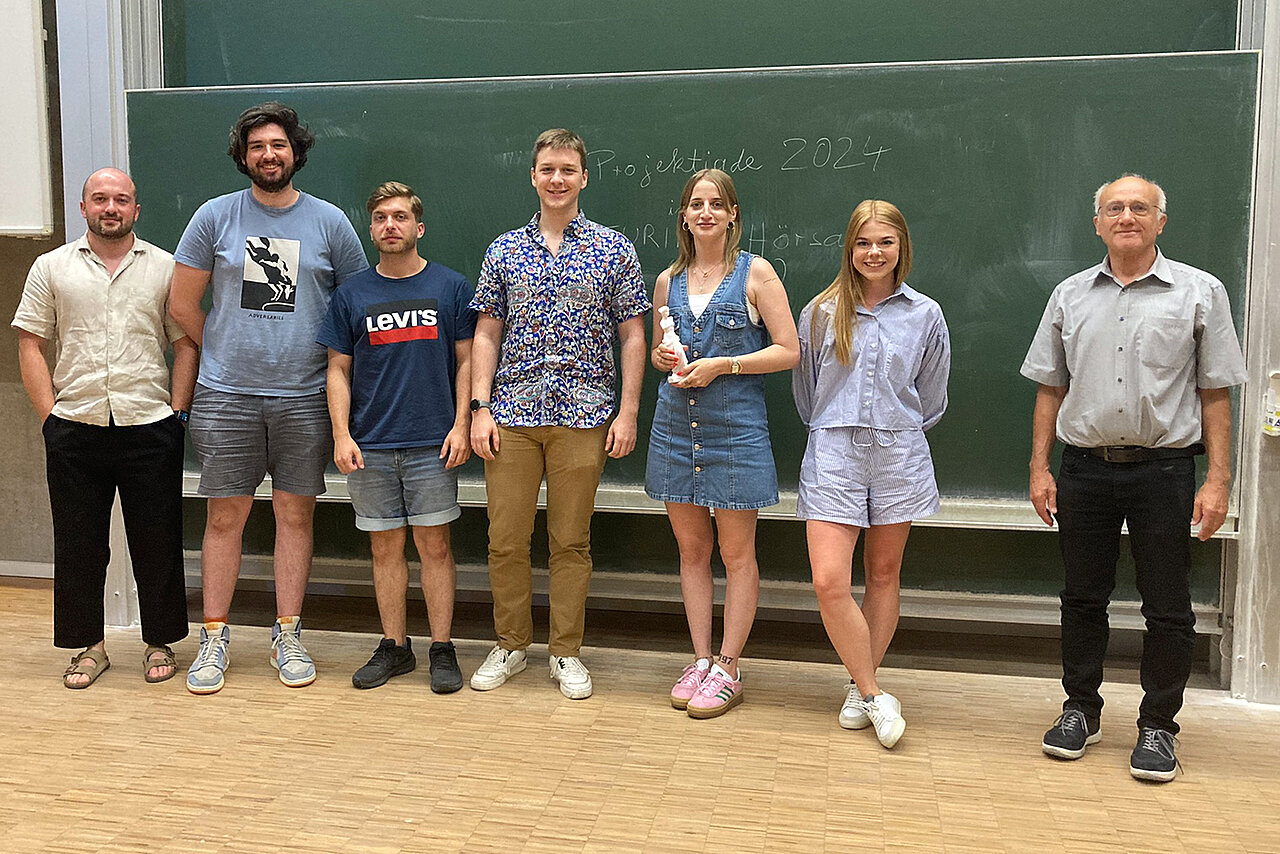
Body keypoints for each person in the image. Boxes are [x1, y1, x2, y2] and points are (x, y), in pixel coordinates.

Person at [1021, 174, 1246, 782]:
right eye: (1114, 208)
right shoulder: (1069, 295)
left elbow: (1216, 392)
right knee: (1082, 597)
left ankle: (1158, 726)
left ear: (1160, 221)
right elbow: (1050, 387)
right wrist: (1039, 468)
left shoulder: (1200, 292)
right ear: (1097, 223)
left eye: (1139, 208)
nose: (1127, 217)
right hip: (1083, 469)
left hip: (1165, 471)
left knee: (1168, 605)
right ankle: (1080, 710)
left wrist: (1218, 480)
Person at [169, 102, 369, 694]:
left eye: (278, 144)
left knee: (294, 515)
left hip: (306, 396)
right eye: (257, 146)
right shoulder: (214, 216)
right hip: (226, 394)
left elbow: (357, 307)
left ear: (296, 151)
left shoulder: (330, 222)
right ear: (243, 156)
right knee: (223, 516)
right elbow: (181, 304)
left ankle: (288, 634)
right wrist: (225, 348)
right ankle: (213, 637)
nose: (269, 155)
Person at [468, 128, 651, 699]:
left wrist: (627, 412)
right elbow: (486, 334)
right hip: (511, 416)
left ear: (584, 177)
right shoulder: (504, 250)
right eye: (547, 169)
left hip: (585, 417)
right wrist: (478, 408)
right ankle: (511, 644)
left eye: (568, 169)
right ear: (533, 176)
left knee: (570, 542)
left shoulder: (613, 249)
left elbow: (633, 336)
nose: (557, 179)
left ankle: (566, 652)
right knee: (506, 539)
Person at [13, 168, 198, 688]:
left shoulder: (165, 267)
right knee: (79, 544)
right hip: (75, 426)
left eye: (121, 199)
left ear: (136, 209)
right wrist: (49, 418)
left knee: (157, 541)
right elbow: (30, 342)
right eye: (100, 199)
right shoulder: (51, 267)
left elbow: (186, 343)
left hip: (150, 425)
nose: (110, 208)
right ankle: (88, 648)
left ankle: (159, 641)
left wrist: (178, 413)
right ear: (83, 207)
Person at [793, 200, 950, 748]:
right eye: (863, 243)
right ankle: (873, 693)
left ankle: (861, 684)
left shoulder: (926, 314)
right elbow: (807, 395)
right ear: (849, 249)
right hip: (834, 452)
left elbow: (931, 398)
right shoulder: (820, 312)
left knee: (883, 575)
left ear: (901, 247)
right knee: (828, 581)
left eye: (885, 242)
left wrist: (891, 426)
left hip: (899, 453)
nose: (874, 252)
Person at [646, 168, 800, 719]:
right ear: (684, 216)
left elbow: (789, 350)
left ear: (733, 214)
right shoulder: (668, 281)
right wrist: (666, 357)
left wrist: (723, 364)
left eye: (716, 203)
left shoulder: (756, 273)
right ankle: (700, 659)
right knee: (691, 552)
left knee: (736, 555)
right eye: (696, 204)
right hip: (674, 429)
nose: (705, 212)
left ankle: (729, 666)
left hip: (736, 432)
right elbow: (662, 353)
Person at [318, 182, 475, 693]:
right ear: (371, 229)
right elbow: (337, 369)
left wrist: (462, 424)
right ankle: (395, 646)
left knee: (435, 546)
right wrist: (341, 434)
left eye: (401, 216)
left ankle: (442, 648)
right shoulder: (352, 294)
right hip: (371, 444)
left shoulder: (451, 287)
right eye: (382, 217)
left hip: (434, 442)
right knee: (385, 549)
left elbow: (468, 361)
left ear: (419, 227)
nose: (391, 225)